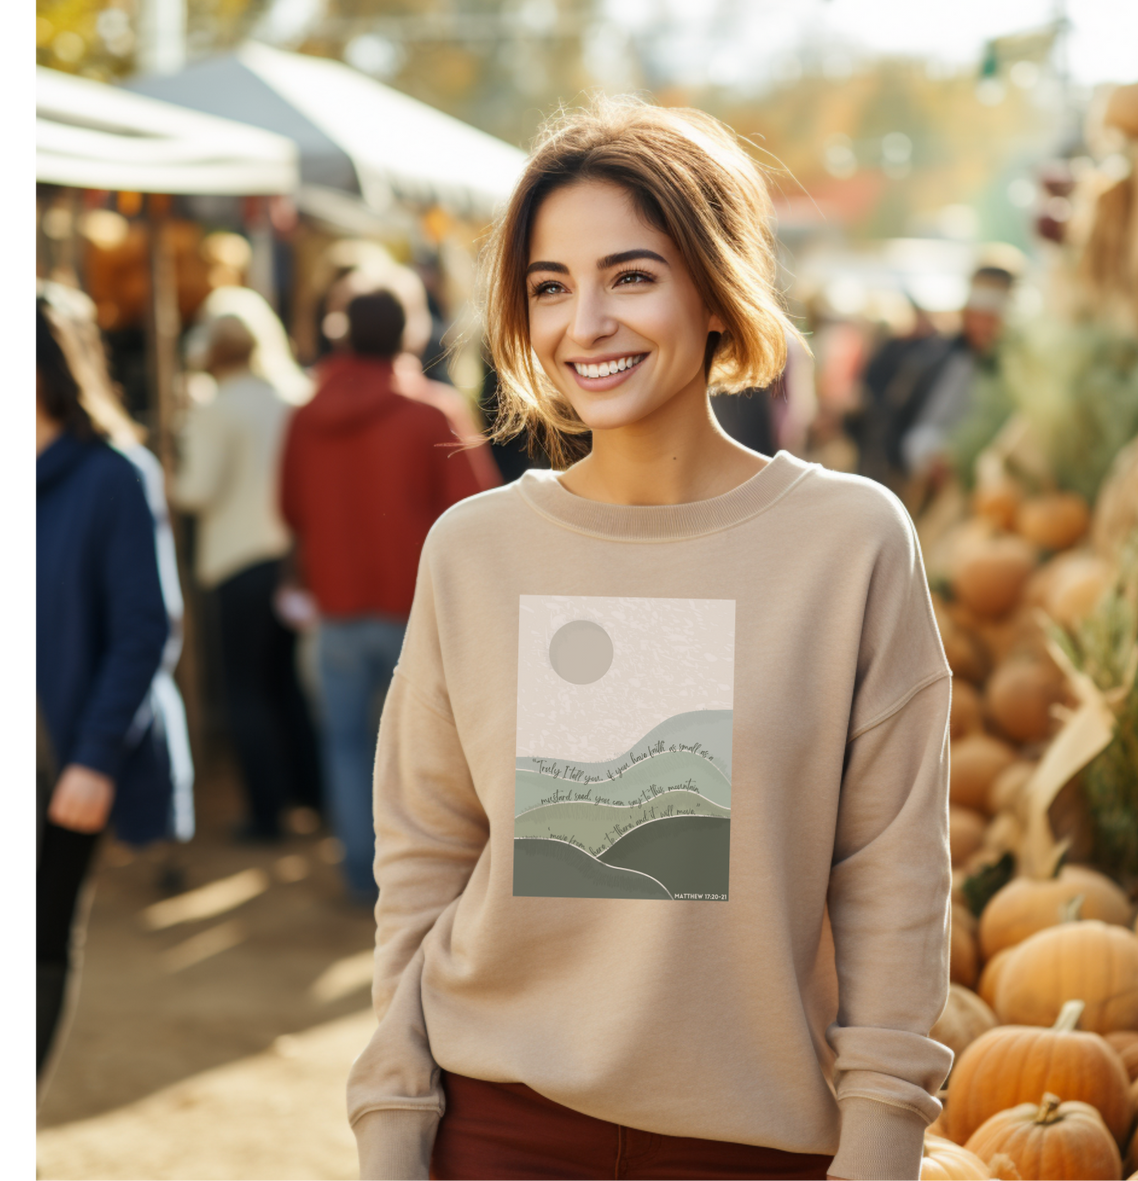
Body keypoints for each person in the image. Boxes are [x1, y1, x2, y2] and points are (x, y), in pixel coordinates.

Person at [347, 97, 953, 1181]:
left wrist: (883, 1138)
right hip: (496, 1125)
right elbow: (426, 854)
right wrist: (393, 1120)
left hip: (757, 1141)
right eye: (548, 286)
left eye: (630, 275)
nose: (585, 322)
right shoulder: (474, 549)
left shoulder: (849, 541)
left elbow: (891, 872)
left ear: (716, 290)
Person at [33, 283, 192, 1103]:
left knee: (40, 936)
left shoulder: (115, 474)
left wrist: (93, 759)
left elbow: (146, 629)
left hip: (64, 755)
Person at [279, 290, 490, 902]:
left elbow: (290, 508)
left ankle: (361, 877)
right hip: (416, 610)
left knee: (345, 743)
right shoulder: (433, 413)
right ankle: (417, 883)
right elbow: (473, 513)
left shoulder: (306, 415)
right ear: (409, 333)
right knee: (422, 754)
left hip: (335, 605)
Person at [172, 311, 321, 840]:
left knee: (245, 691)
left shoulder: (216, 409)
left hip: (236, 564)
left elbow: (197, 490)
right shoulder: (291, 397)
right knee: (288, 686)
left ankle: (266, 812)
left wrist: (174, 466)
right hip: (287, 560)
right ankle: (312, 795)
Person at [867, 267, 1015, 493]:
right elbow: (910, 425)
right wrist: (929, 458)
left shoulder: (1017, 369)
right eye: (978, 316)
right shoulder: (938, 360)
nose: (984, 327)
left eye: (992, 318)